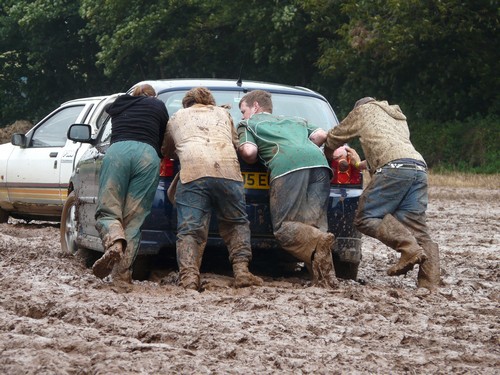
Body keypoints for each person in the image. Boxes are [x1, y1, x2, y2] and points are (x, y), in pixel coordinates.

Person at [325, 97, 441, 291]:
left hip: (394, 168)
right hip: (418, 168)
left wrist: (327, 152)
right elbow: (390, 151)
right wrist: (356, 164)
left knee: (364, 218)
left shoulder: (363, 111)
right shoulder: (396, 117)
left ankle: (409, 248)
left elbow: (335, 137)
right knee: (416, 226)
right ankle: (430, 283)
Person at [162, 87, 263, 291]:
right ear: (210, 101)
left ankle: (189, 278)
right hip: (228, 172)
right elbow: (235, 143)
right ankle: (242, 272)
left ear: (187, 103)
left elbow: (167, 150)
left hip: (193, 174)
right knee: (236, 223)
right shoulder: (223, 114)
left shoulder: (176, 117)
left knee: (190, 229)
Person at [237, 90, 337, 288]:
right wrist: (301, 147)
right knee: (312, 225)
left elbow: (249, 152)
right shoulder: (297, 120)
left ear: (255, 106)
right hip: (320, 166)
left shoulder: (248, 124)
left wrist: (241, 147)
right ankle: (325, 280)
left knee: (284, 229)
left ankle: (319, 240)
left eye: (243, 110)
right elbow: (321, 136)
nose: (242, 116)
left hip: (287, 168)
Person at [92, 84, 169, 286]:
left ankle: (115, 241)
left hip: (117, 153)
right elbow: (162, 139)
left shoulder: (119, 104)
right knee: (133, 221)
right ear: (154, 96)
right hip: (147, 156)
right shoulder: (158, 106)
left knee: (108, 210)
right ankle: (122, 278)